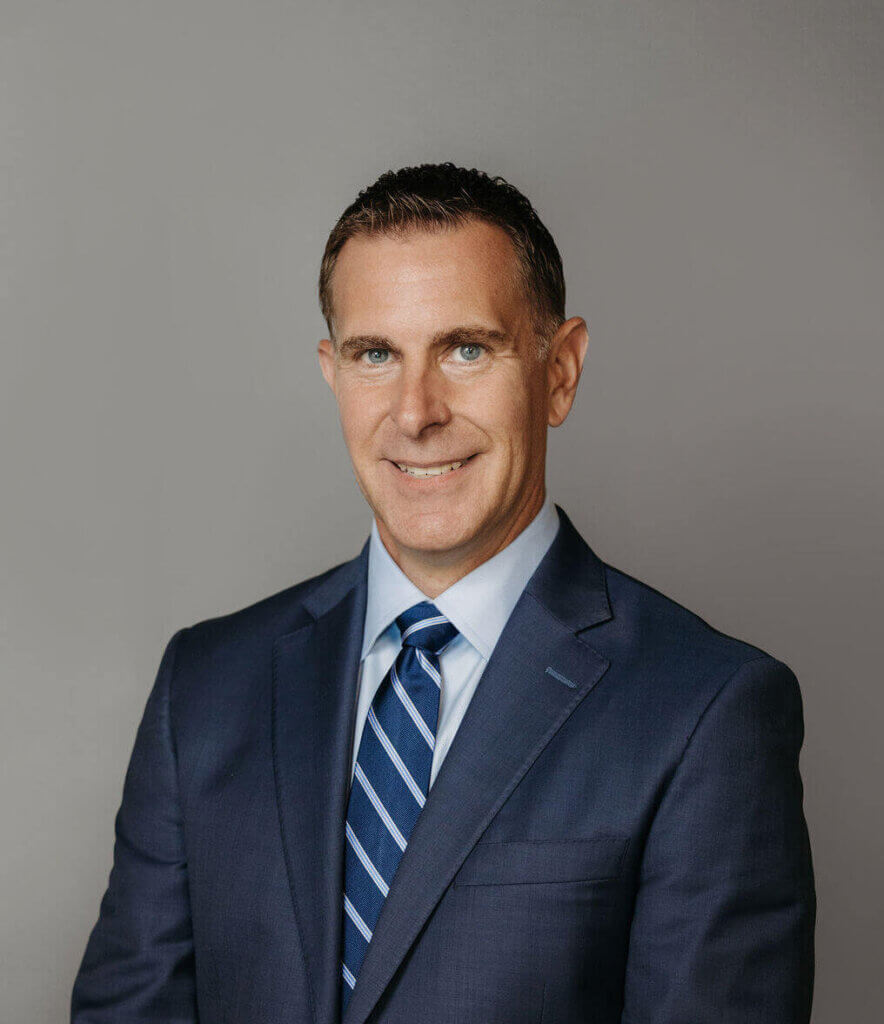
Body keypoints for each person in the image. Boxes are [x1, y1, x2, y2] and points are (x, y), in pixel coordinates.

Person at [71, 163, 816, 1024]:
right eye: (376, 354)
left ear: (560, 371)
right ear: (332, 372)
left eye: (467, 349)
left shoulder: (706, 711)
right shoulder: (205, 685)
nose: (415, 411)